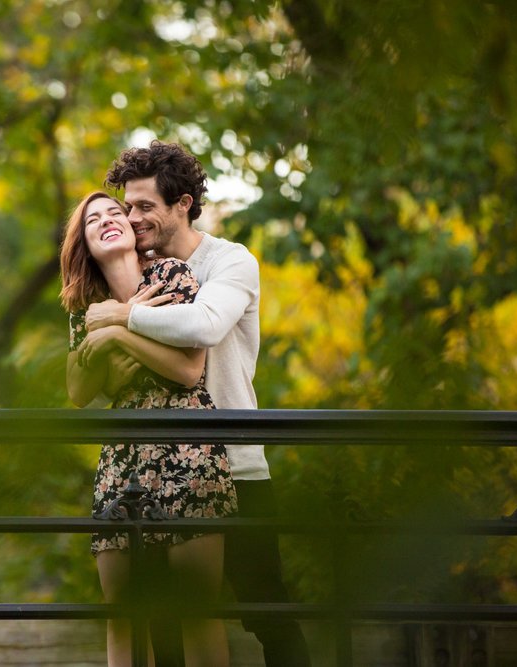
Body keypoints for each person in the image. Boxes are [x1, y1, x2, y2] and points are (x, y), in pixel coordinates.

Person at [86, 141, 312, 667]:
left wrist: (120, 317)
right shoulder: (140, 273)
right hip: (164, 471)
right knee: (168, 622)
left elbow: (204, 327)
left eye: (145, 206)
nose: (133, 217)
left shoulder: (230, 261)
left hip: (235, 463)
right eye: (127, 206)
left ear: (182, 204)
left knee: (265, 610)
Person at [60, 191, 237, 667]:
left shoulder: (171, 275)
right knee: (122, 613)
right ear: (85, 243)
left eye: (114, 212)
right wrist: (128, 340)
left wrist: (116, 333)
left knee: (198, 614)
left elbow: (186, 371)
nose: (107, 221)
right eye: (92, 219)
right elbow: (79, 390)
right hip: (122, 457)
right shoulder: (85, 306)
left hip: (189, 447)